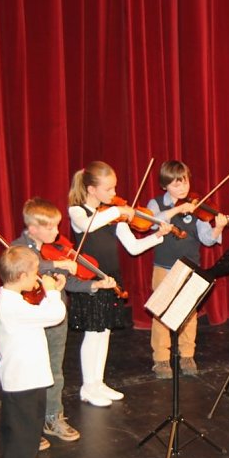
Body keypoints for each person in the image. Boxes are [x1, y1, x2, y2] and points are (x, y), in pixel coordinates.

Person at [11, 198, 117, 447]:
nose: (56, 232)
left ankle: (52, 418)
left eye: (57, 227)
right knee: (30, 375)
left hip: (56, 317)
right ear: (32, 228)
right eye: (49, 228)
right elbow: (28, 269)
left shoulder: (55, 248)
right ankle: (29, 427)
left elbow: (69, 282)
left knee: (54, 371)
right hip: (30, 321)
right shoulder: (17, 249)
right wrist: (55, 264)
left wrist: (95, 284)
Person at [67, 161, 172, 407]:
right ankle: (87, 386)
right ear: (92, 190)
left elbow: (134, 248)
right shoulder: (78, 212)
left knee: (103, 334)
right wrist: (119, 210)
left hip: (110, 277)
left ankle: (98, 382)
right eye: (109, 189)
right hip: (90, 280)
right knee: (92, 334)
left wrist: (157, 237)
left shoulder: (114, 216)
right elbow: (86, 226)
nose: (114, 194)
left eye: (115, 189)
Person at [0, 246, 67, 458]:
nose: (38, 277)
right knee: (20, 434)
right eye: (35, 273)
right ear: (22, 276)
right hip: (20, 380)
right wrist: (53, 292)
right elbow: (54, 315)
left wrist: (48, 292)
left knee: (31, 431)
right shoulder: (11, 306)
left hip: (32, 377)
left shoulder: (18, 300)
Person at [147, 160, 229, 378]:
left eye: (184, 182)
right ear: (165, 185)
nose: (182, 188)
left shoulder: (197, 206)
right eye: (176, 184)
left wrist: (219, 227)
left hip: (190, 268)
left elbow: (207, 240)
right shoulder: (157, 203)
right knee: (161, 315)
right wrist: (177, 209)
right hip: (164, 267)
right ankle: (161, 359)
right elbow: (149, 222)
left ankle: (187, 354)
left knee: (189, 313)